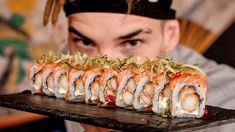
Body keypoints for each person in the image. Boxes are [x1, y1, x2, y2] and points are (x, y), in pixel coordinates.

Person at [43, 0, 235, 131]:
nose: (106, 70)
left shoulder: (227, 100)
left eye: (131, 42)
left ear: (170, 35)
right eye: (86, 42)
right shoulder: (66, 72)